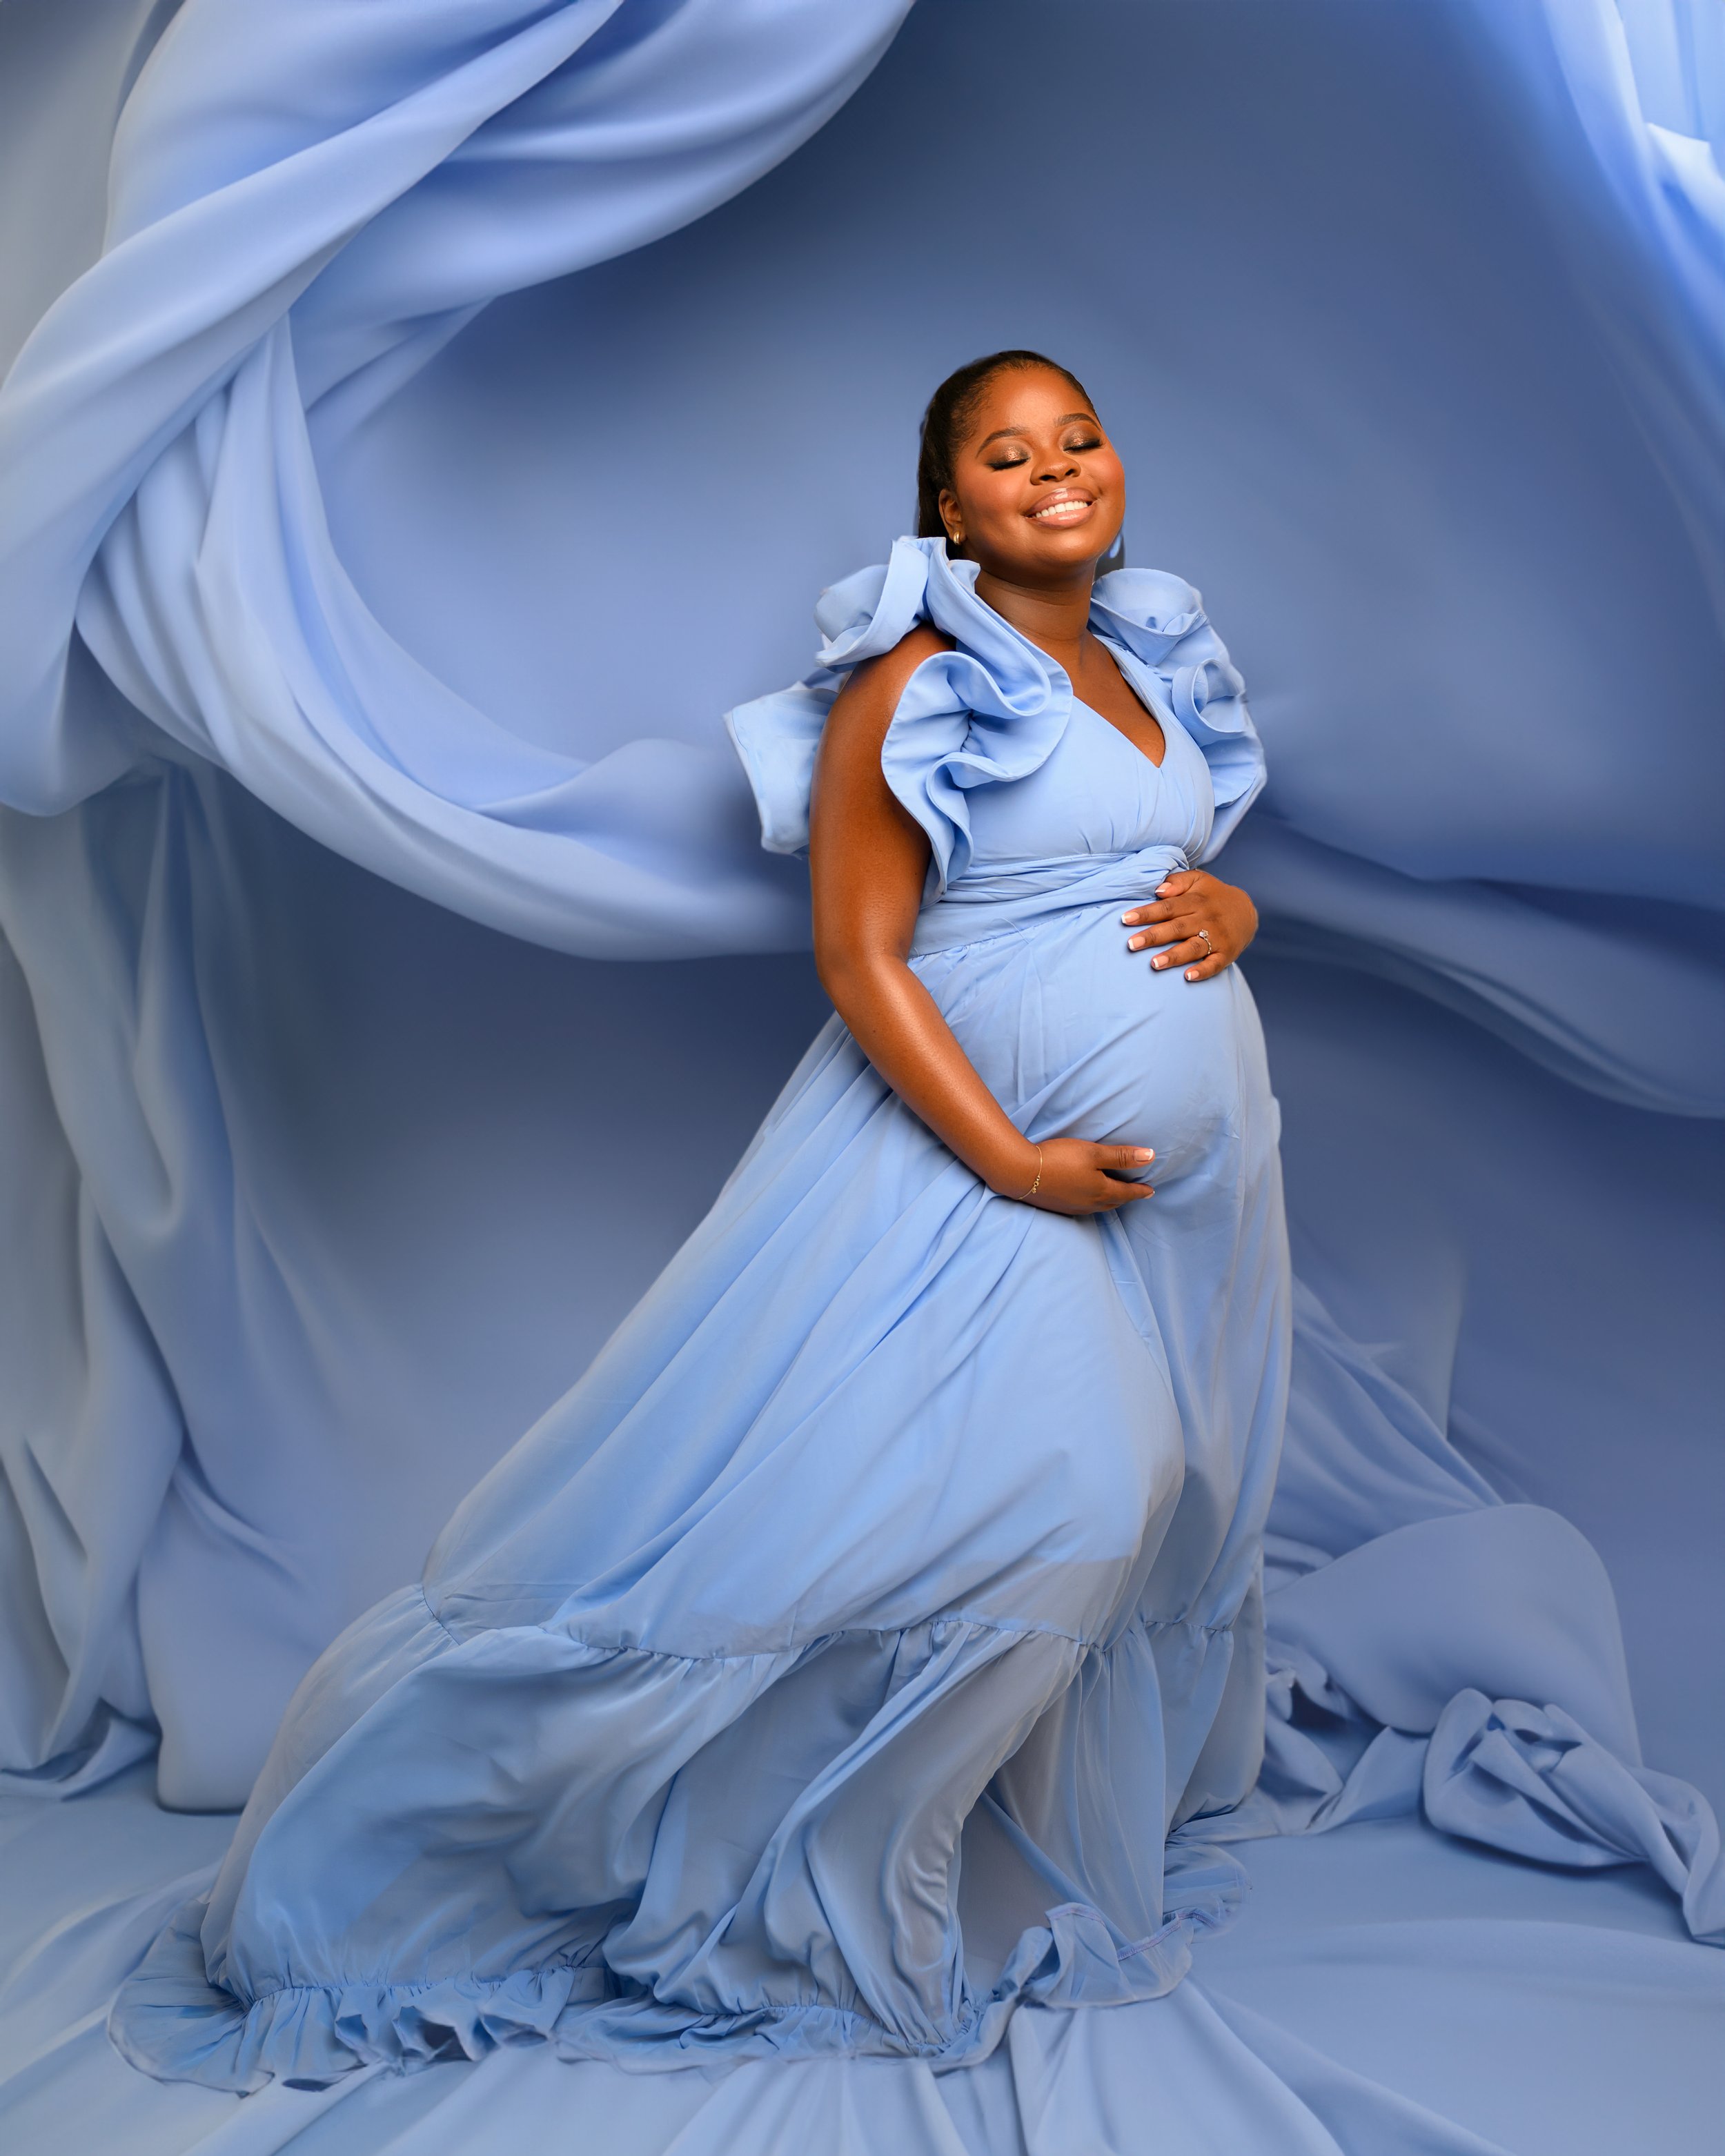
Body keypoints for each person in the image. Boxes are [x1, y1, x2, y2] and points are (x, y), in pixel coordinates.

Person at [111, 350, 1291, 2090]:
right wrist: (1017, 1162)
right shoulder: (918, 680)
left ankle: (967, 1847)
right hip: (971, 1161)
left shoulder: (1143, 659)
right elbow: (857, 956)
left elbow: (1156, 866)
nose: (1056, 471)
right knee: (1051, 1501)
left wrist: (1232, 908)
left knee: (1147, 1499)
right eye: (1005, 453)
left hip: (1187, 1195)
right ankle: (724, 1880)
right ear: (947, 504)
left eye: (1082, 437)